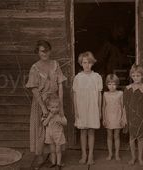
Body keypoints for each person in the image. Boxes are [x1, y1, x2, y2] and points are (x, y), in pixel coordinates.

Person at [25, 40, 67, 169]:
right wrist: (43, 107)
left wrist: (60, 105)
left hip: (54, 102)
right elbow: (34, 89)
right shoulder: (35, 67)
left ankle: (54, 158)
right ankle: (40, 158)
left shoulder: (55, 64)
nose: (45, 53)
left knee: (54, 128)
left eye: (47, 50)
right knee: (40, 129)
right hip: (40, 103)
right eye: (42, 51)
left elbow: (60, 84)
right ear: (37, 52)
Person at [72, 51, 103, 165]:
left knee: (91, 131)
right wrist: (76, 110)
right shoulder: (78, 77)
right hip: (81, 107)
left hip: (92, 107)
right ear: (81, 63)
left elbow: (100, 95)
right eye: (84, 62)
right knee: (83, 131)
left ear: (92, 63)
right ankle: (83, 154)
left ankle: (91, 155)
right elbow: (75, 96)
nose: (87, 65)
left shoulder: (97, 77)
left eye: (89, 63)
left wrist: (99, 110)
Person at [123, 64, 143, 165]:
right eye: (134, 75)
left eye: (138, 75)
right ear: (131, 76)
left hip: (141, 117)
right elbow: (125, 106)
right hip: (130, 117)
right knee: (132, 137)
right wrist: (125, 118)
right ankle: (133, 157)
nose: (136, 77)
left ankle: (140, 158)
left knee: (140, 137)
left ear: (142, 75)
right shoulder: (127, 89)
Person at [102, 74, 126, 161]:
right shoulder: (105, 94)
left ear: (117, 84)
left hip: (118, 116)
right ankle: (110, 154)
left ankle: (117, 154)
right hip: (108, 117)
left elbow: (123, 106)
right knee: (109, 136)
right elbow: (103, 107)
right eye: (109, 84)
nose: (111, 86)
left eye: (114, 84)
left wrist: (123, 118)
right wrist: (104, 118)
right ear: (106, 84)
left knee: (116, 136)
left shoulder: (120, 93)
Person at [42, 96, 67, 170]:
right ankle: (53, 162)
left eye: (56, 107)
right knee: (52, 150)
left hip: (58, 135)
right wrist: (49, 117)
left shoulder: (60, 115)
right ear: (48, 107)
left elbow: (65, 123)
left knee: (58, 150)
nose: (55, 109)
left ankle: (58, 163)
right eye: (53, 107)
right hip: (50, 135)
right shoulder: (46, 115)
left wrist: (60, 121)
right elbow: (44, 123)